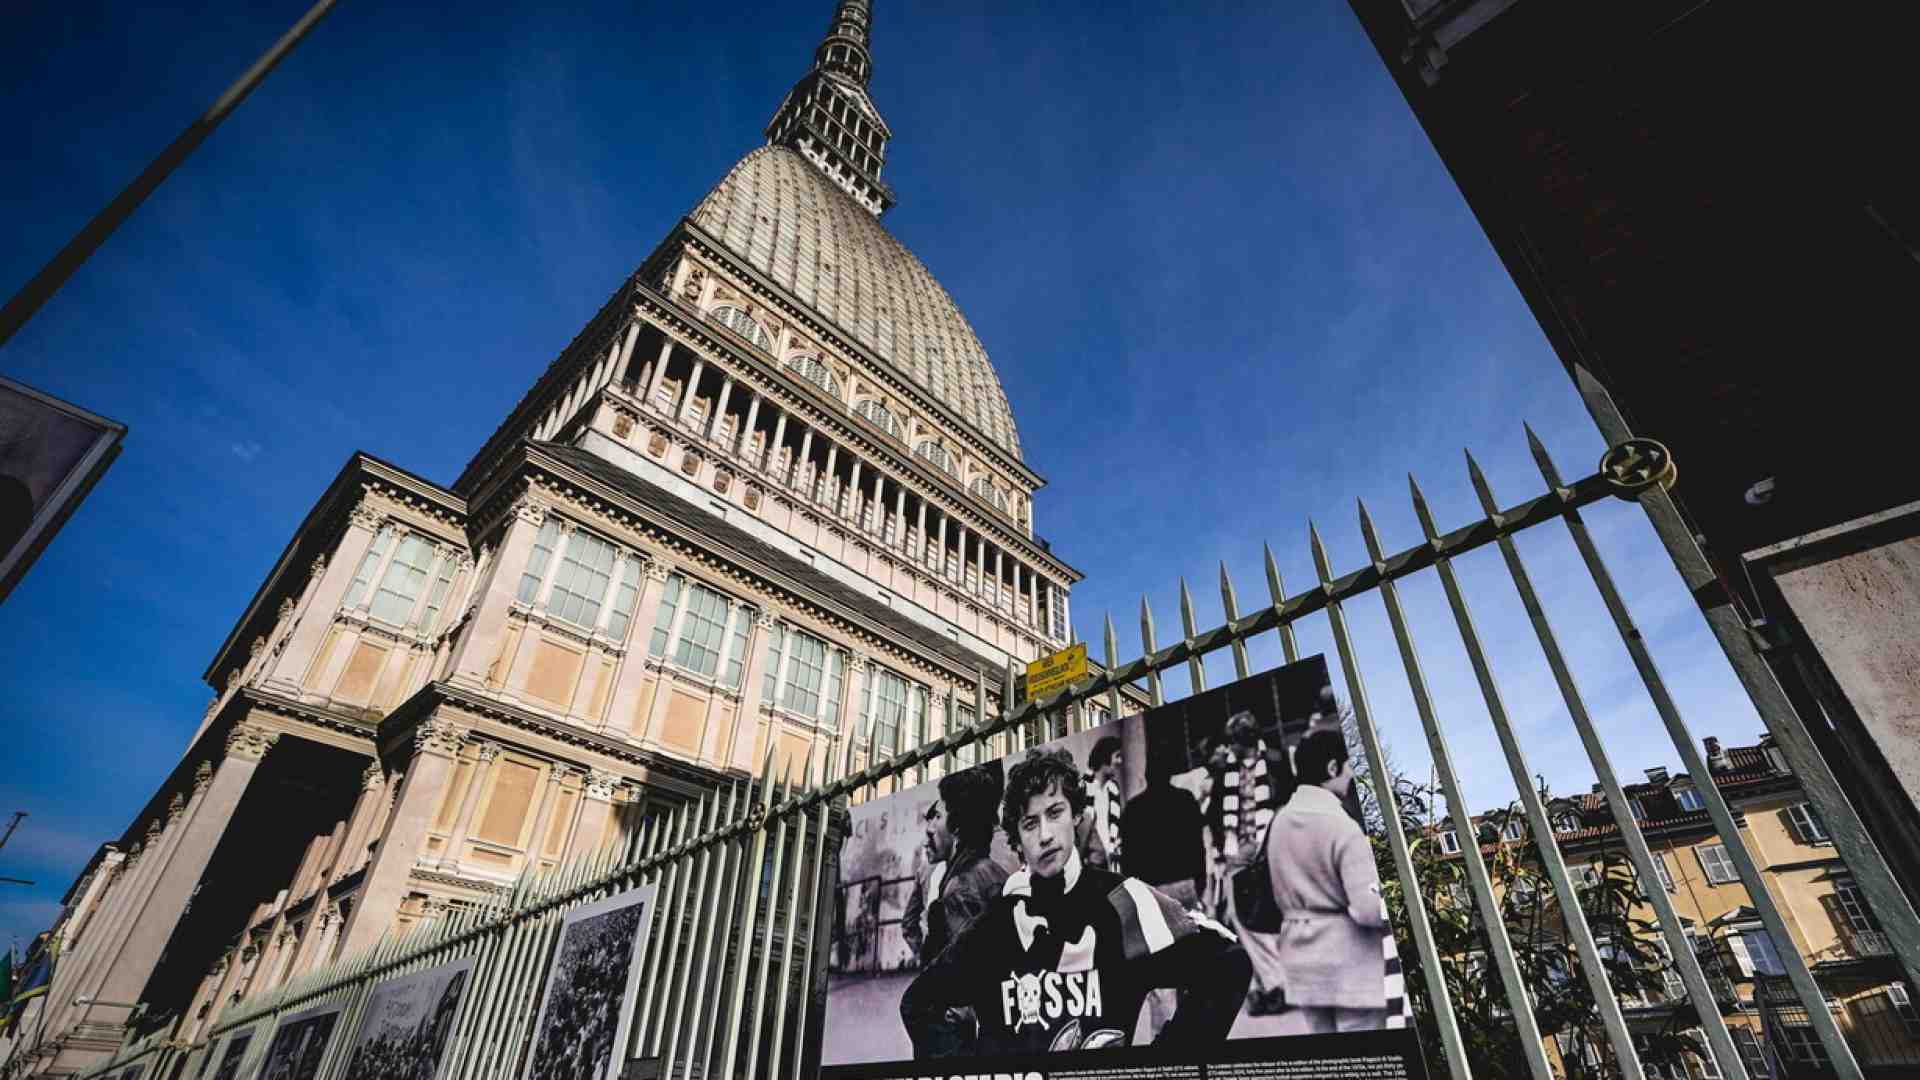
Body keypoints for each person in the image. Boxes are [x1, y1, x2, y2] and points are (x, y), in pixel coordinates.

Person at [899, 749, 1250, 1059]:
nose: (1045, 835)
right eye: (1030, 823)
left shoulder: (1123, 902)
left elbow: (1228, 962)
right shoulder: (999, 923)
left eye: (1055, 813)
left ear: (1077, 816)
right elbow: (919, 1003)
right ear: (1018, 840)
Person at [1267, 729, 1389, 1033]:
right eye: (1347, 767)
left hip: (1300, 958)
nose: (1350, 775)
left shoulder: (1279, 822)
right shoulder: (1342, 827)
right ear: (1333, 768)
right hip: (1349, 962)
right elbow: (1368, 909)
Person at [1204, 711, 1294, 1015]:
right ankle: (1268, 985)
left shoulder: (1277, 761)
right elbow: (1215, 815)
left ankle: (1267, 986)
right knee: (1239, 918)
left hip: (1270, 850)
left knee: (1265, 918)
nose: (1230, 748)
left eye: (1234, 742)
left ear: (1247, 741)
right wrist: (1220, 852)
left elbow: (1288, 802)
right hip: (1237, 852)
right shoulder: (1224, 772)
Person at [916, 763, 1009, 964]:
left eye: (939, 815)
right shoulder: (994, 870)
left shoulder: (960, 888)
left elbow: (963, 971)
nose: (931, 827)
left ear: (956, 825)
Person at [1079, 736, 1124, 872]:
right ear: (1105, 758)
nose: (1120, 761)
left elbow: (1115, 830)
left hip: (1112, 862)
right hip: (1090, 865)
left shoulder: (1113, 790)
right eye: (1117, 756)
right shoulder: (1083, 788)